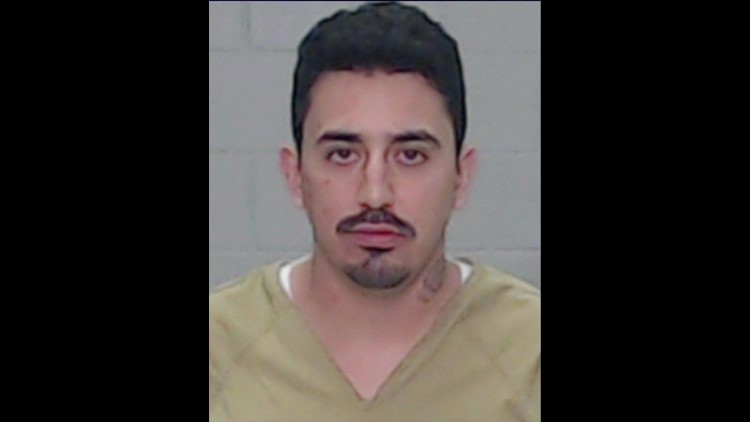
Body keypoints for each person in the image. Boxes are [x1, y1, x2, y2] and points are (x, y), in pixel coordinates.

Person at [209, 2, 540, 420]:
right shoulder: (220, 348)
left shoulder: (529, 351)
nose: (376, 193)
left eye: (411, 155)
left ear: (461, 176)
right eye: (343, 154)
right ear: (295, 175)